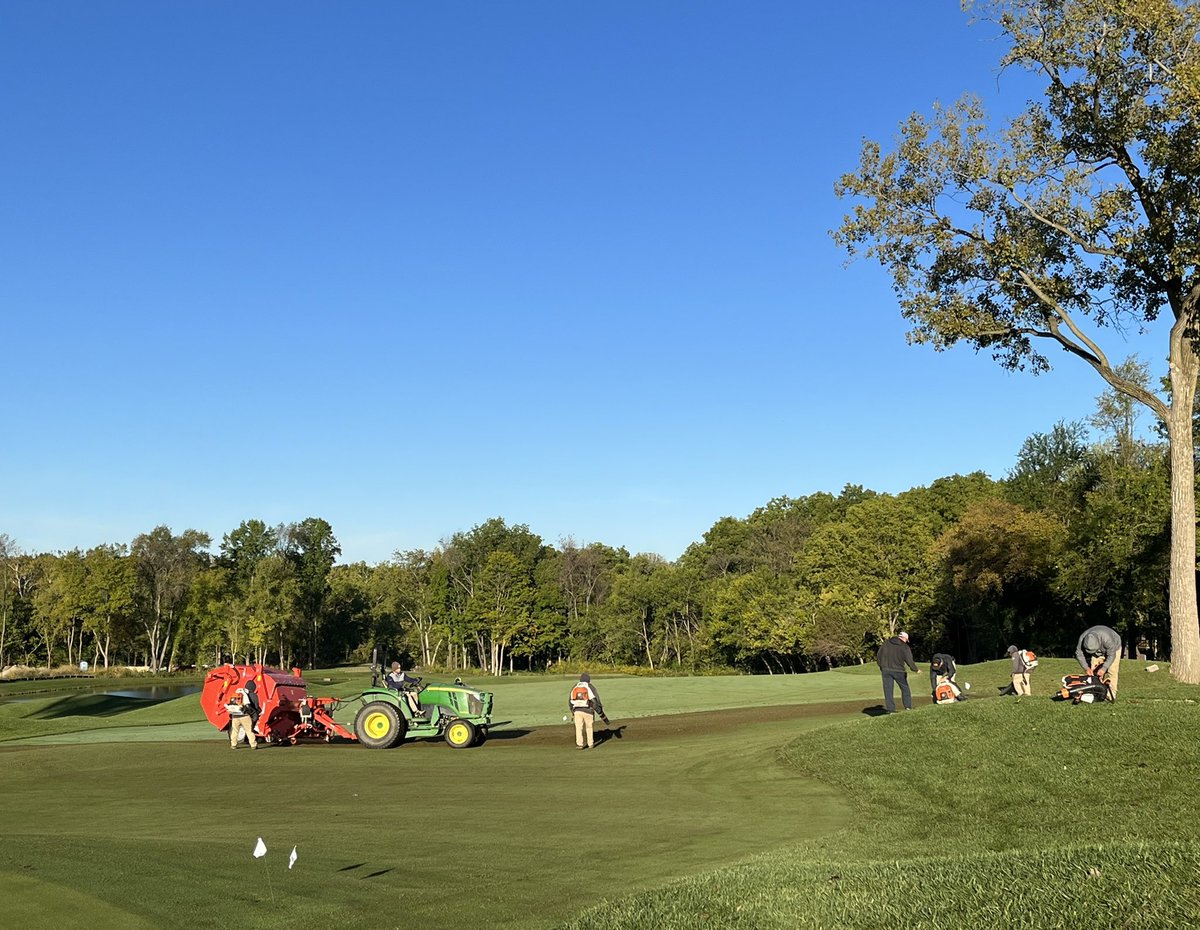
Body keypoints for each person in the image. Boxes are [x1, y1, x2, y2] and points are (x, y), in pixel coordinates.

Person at [1076, 625, 1122, 699]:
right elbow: (1079, 653)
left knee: (1112, 671)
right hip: (1101, 648)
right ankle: (1096, 693)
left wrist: (1104, 668)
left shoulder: (1108, 639)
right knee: (1093, 671)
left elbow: (1111, 655)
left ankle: (1111, 694)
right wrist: (1086, 668)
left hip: (1114, 647)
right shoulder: (1082, 638)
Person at [877, 631, 918, 713]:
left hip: (886, 670)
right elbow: (909, 660)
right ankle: (908, 707)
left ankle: (891, 709)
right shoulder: (904, 646)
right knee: (905, 689)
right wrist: (915, 669)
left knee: (888, 691)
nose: (906, 641)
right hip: (899, 671)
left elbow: (879, 656)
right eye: (906, 640)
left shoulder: (886, 644)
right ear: (904, 638)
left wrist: (882, 667)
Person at [568, 673, 608, 750]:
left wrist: (572, 711)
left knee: (578, 728)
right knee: (589, 727)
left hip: (577, 711)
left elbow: (570, 701)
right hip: (588, 710)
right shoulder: (590, 686)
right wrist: (600, 711)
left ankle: (580, 744)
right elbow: (596, 700)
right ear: (588, 680)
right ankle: (590, 744)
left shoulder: (575, 686)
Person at [227, 679, 259, 750]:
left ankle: (233, 744)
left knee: (235, 730)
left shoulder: (238, 692)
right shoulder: (252, 695)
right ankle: (253, 745)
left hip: (235, 715)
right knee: (249, 730)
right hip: (245, 716)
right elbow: (254, 707)